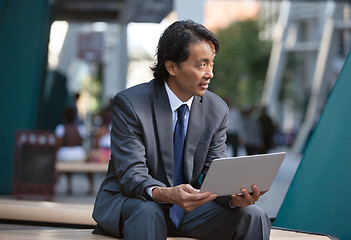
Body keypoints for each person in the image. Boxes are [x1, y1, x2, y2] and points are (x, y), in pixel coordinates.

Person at [92, 20, 271, 240]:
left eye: (211, 63)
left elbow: (212, 170)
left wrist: (234, 197)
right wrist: (166, 194)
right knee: (149, 213)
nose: (210, 74)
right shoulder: (130, 104)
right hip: (138, 203)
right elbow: (131, 173)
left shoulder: (216, 109)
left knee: (254, 216)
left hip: (190, 210)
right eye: (201, 65)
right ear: (172, 67)